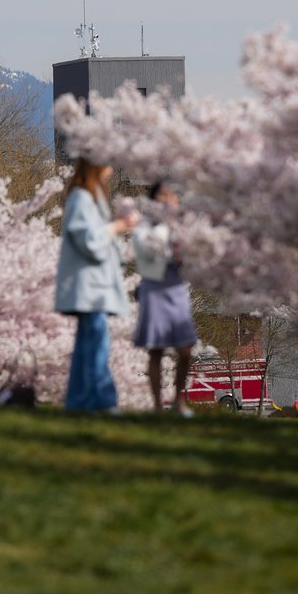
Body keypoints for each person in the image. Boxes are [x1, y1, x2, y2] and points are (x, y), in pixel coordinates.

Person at [54, 158, 137, 412]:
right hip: (90, 289)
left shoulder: (88, 199)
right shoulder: (82, 198)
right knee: (96, 343)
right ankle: (102, 400)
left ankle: (78, 402)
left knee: (86, 344)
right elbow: (89, 240)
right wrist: (117, 227)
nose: (111, 170)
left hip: (94, 287)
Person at [131, 182, 198, 415]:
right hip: (154, 287)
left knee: (185, 348)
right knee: (156, 349)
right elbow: (148, 251)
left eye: (172, 195)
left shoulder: (183, 226)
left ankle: (179, 401)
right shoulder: (145, 226)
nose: (168, 200)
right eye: (163, 196)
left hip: (177, 288)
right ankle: (158, 405)